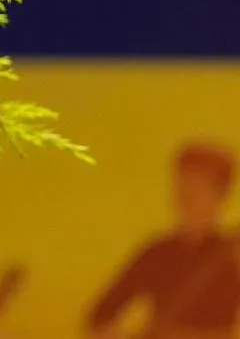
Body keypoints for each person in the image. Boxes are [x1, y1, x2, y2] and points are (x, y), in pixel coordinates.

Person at [86, 143, 240, 339]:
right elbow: (100, 316)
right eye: (182, 187)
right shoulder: (157, 253)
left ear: (220, 196)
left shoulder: (233, 255)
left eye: (198, 189)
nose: (186, 197)